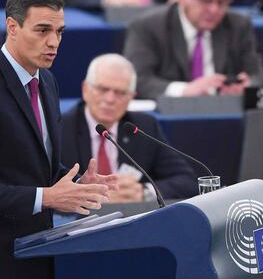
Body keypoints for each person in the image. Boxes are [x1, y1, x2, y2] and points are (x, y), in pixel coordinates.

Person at [0, 0, 118, 279]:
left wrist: (77, 187)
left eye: (59, 31)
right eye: (43, 30)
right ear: (12, 27)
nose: (54, 42)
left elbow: (37, 168)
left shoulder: (47, 82)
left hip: (37, 250)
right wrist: (49, 197)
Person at [61, 54, 198, 202]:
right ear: (85, 89)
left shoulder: (143, 127)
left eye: (120, 93)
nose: (110, 99)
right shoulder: (61, 128)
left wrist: (144, 192)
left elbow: (187, 181)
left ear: (131, 97)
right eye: (102, 89)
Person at [124, 0, 263, 100]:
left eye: (222, 1)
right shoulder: (148, 26)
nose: (214, 9)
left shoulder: (238, 25)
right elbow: (138, 80)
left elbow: (260, 74)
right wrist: (185, 90)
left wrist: (248, 86)